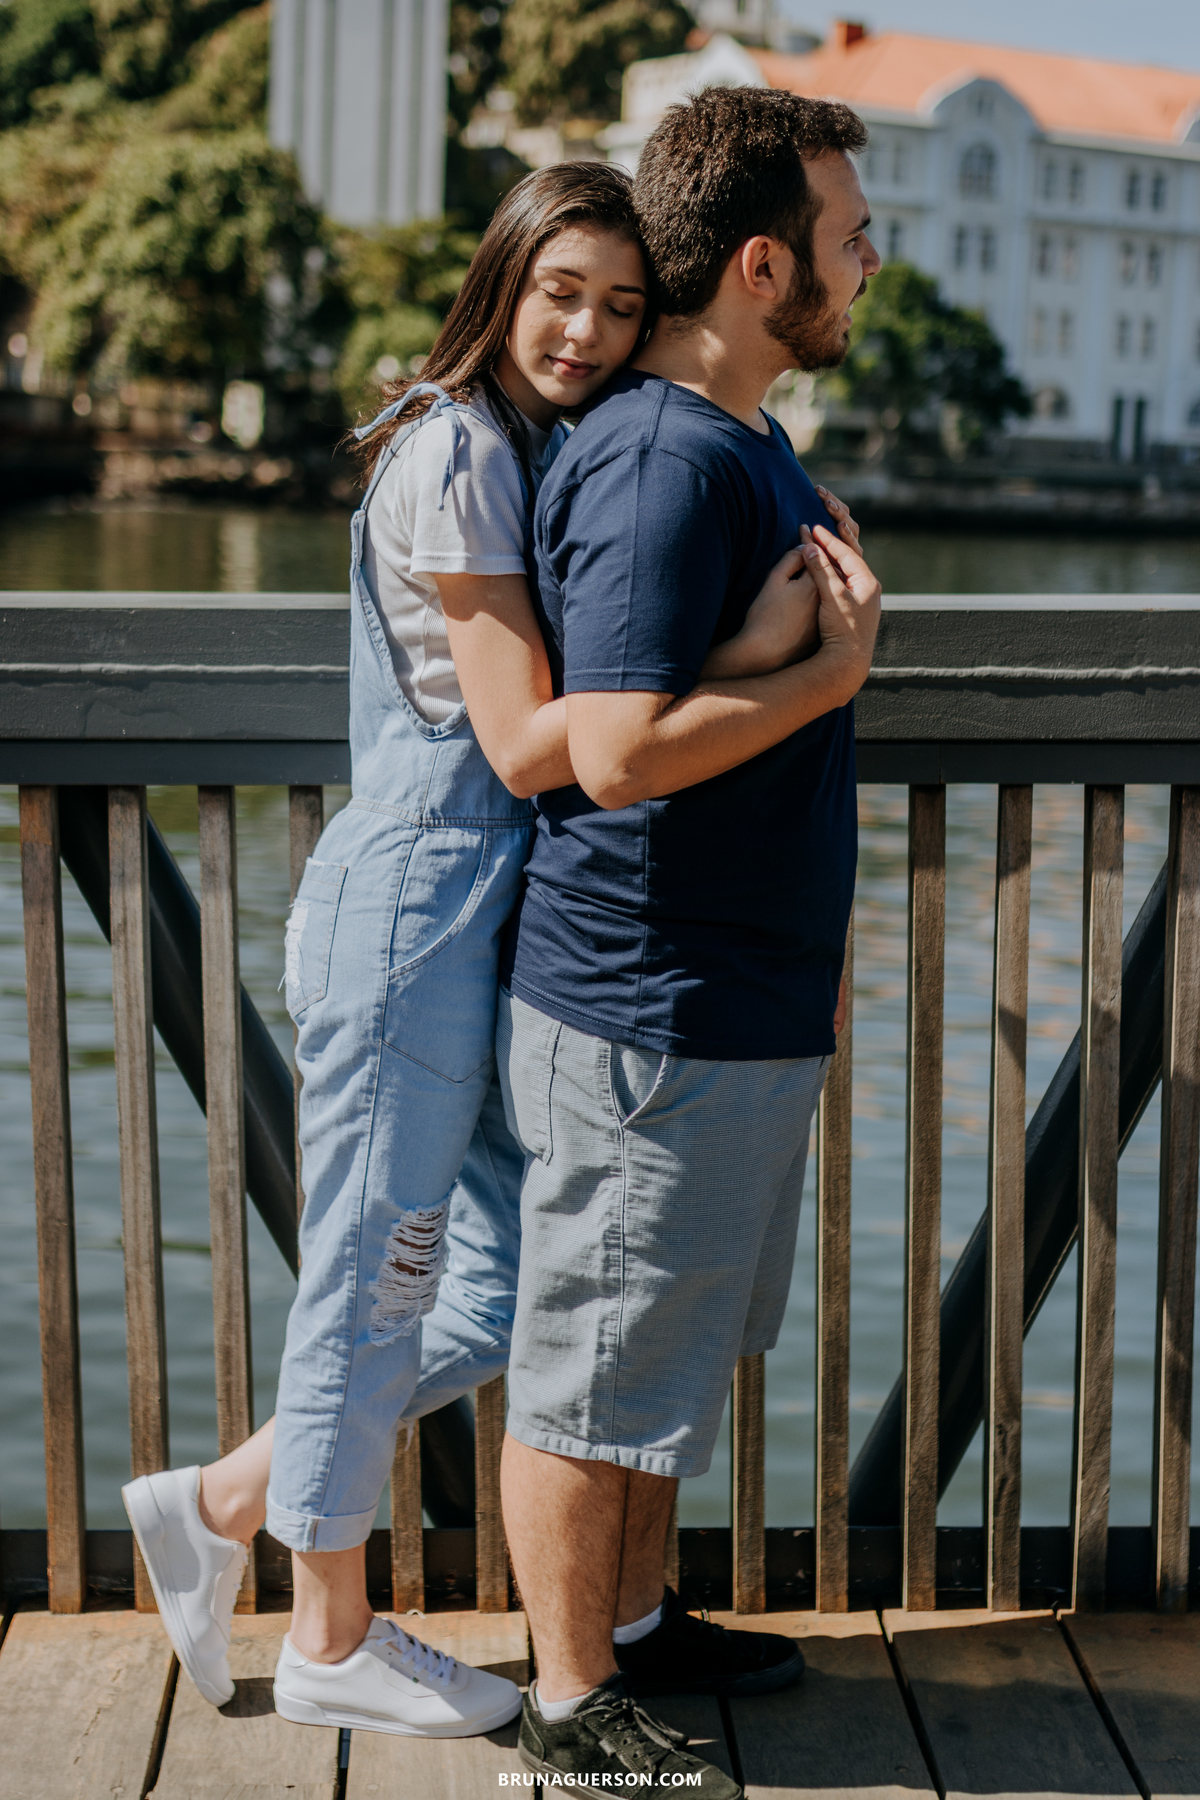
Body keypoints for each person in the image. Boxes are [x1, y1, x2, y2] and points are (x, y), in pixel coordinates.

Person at [120, 159, 848, 1739]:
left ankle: (223, 1498)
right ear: (499, 284)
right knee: (371, 1290)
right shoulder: (453, 448)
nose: (585, 330)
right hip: (409, 922)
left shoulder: (544, 446)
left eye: (619, 304)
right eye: (556, 293)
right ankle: (327, 1633)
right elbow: (531, 746)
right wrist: (772, 661)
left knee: (505, 1287)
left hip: (488, 930)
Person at [493, 88, 884, 1797]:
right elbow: (613, 751)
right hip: (648, 1008)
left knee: (660, 1349)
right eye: (850, 236)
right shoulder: (663, 458)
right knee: (589, 1370)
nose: (872, 261)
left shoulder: (737, 444)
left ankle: (638, 1629)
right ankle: (571, 1710)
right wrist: (823, 681)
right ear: (761, 261)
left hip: (729, 1000)